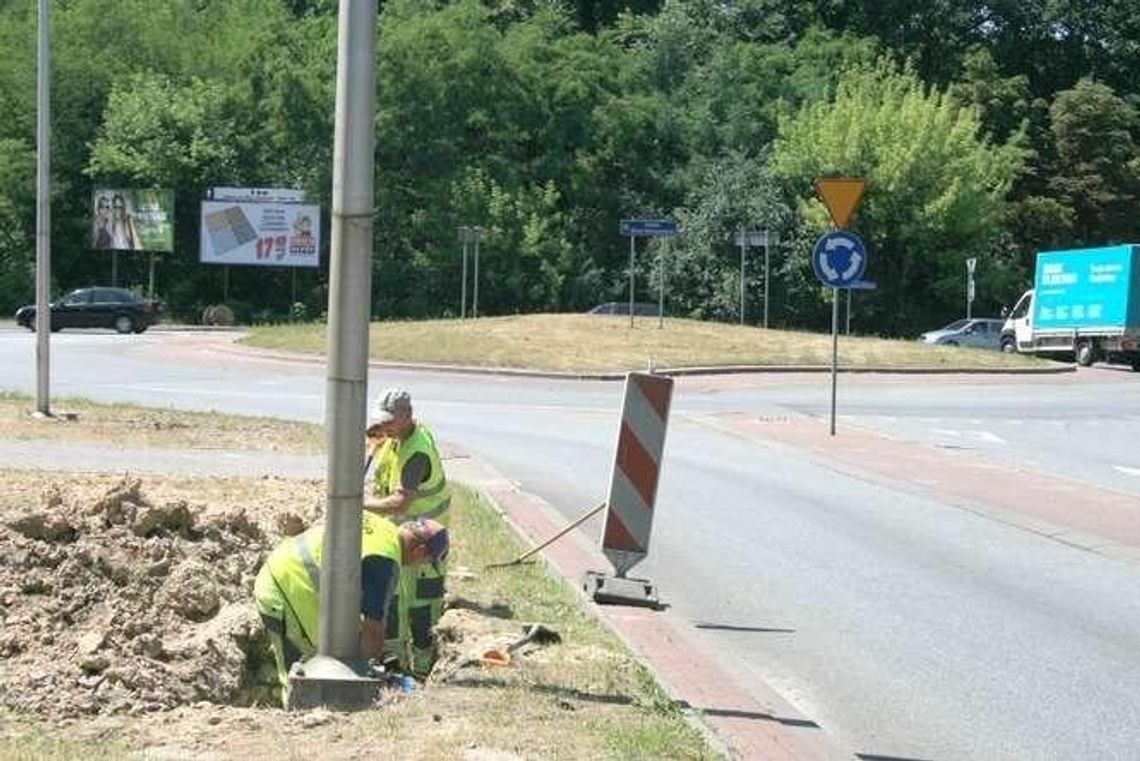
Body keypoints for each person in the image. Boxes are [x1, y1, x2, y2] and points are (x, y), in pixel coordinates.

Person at [253, 513, 449, 705]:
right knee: (304, 672)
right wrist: (373, 678)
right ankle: (297, 720)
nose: (418, 567)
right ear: (420, 551)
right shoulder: (384, 560)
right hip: (287, 587)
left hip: (285, 571)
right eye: (426, 562)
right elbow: (373, 631)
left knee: (327, 659)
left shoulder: (384, 530)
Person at [364, 388, 452, 677]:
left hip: (425, 545)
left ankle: (422, 671)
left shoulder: (416, 453)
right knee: (395, 602)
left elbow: (401, 501)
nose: (384, 427)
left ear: (407, 417)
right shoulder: (399, 436)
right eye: (382, 421)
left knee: (421, 609)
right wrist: (378, 433)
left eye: (390, 421)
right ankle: (395, 665)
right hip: (403, 538)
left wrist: (358, 504)